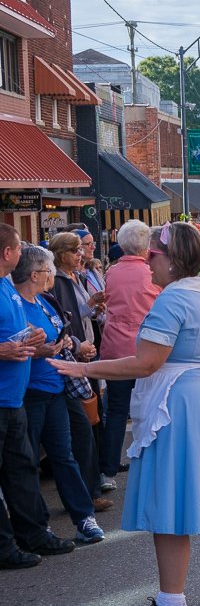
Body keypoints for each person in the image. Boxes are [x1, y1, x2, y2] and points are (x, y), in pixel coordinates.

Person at [50, 221, 200, 606]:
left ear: (172, 260)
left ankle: (171, 600)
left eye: (153, 257)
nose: (148, 264)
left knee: (170, 503)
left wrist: (81, 368)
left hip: (179, 402)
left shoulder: (172, 300)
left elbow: (146, 363)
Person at [14, 245, 104, 544]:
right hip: (29, 391)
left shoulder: (44, 301)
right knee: (27, 461)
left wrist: (69, 343)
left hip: (56, 388)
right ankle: (37, 525)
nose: (52, 274)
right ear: (35, 274)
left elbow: (61, 330)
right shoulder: (17, 304)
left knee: (63, 455)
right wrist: (37, 349)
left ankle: (83, 517)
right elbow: (16, 344)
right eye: (49, 270)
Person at [0, 223, 76, 569]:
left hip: (14, 397)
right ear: (7, 253)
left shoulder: (5, 286)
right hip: (5, 397)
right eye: (18, 247)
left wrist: (31, 343)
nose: (20, 254)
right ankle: (4, 547)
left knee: (23, 468)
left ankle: (33, 534)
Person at [99, 220, 161, 493]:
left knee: (116, 411)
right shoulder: (151, 271)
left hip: (115, 348)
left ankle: (108, 470)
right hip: (146, 347)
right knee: (150, 408)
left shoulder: (112, 272)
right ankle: (152, 463)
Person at [48, 232, 108, 511]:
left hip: (85, 351)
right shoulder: (59, 281)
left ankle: (92, 486)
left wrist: (93, 305)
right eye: (74, 251)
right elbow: (64, 320)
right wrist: (78, 347)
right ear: (61, 254)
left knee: (92, 420)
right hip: (73, 357)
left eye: (79, 250)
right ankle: (89, 490)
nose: (80, 254)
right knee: (82, 427)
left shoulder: (77, 277)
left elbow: (78, 313)